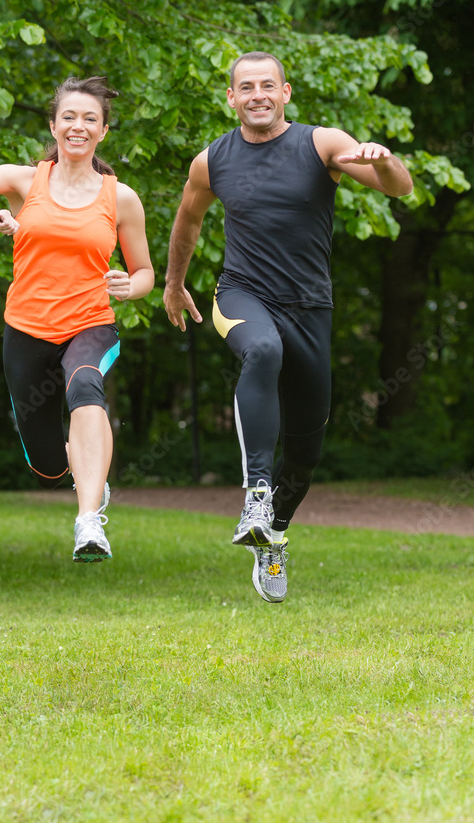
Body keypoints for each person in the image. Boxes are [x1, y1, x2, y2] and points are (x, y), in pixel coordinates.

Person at [163, 52, 413, 604]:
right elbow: (188, 219)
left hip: (310, 307)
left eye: (267, 85)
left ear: (285, 92)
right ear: (231, 97)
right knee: (262, 350)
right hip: (242, 294)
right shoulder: (212, 161)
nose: (257, 95)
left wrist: (385, 159)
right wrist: (173, 284)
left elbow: (399, 189)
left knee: (305, 453)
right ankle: (256, 495)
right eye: (246, 87)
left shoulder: (321, 144)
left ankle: (272, 533)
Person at [0, 76, 154, 562]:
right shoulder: (25, 181)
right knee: (48, 464)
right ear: (53, 126)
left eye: (90, 118)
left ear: (103, 131)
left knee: (86, 386)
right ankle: (86, 475)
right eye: (68, 116)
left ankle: (89, 520)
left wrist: (129, 286)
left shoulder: (121, 198)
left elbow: (145, 273)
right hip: (26, 330)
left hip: (90, 323)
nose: (78, 126)